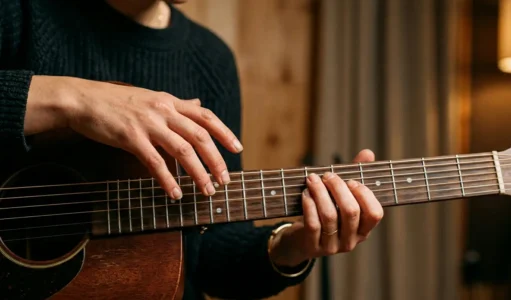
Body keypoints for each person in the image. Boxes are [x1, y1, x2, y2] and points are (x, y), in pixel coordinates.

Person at [0, 0, 384, 299]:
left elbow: (209, 258)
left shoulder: (210, 60)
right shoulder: (19, 12)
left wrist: (292, 245)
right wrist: (73, 100)